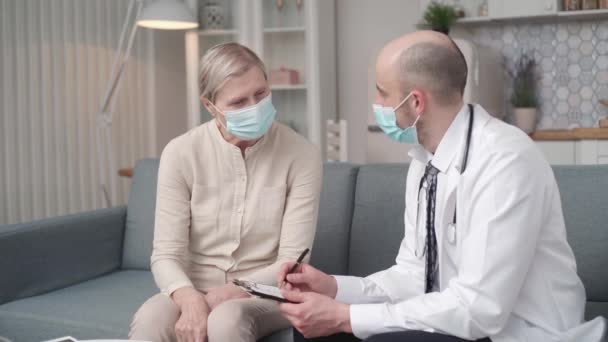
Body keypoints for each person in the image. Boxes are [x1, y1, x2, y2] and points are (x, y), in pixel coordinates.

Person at [276, 31, 607, 342]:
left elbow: (480, 309)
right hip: (460, 320)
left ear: (416, 102)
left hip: (516, 331)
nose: (376, 102)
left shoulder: (504, 160)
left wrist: (346, 317)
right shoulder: (426, 161)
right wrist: (333, 288)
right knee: (309, 330)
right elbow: (415, 274)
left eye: (382, 91)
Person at [129, 42, 322, 342]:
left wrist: (231, 292)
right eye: (239, 102)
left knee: (226, 319)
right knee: (151, 319)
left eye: (261, 94)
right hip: (194, 286)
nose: (254, 107)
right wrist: (191, 299)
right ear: (210, 106)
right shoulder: (180, 153)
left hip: (266, 291)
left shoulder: (302, 155)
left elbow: (292, 261)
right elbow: (166, 254)